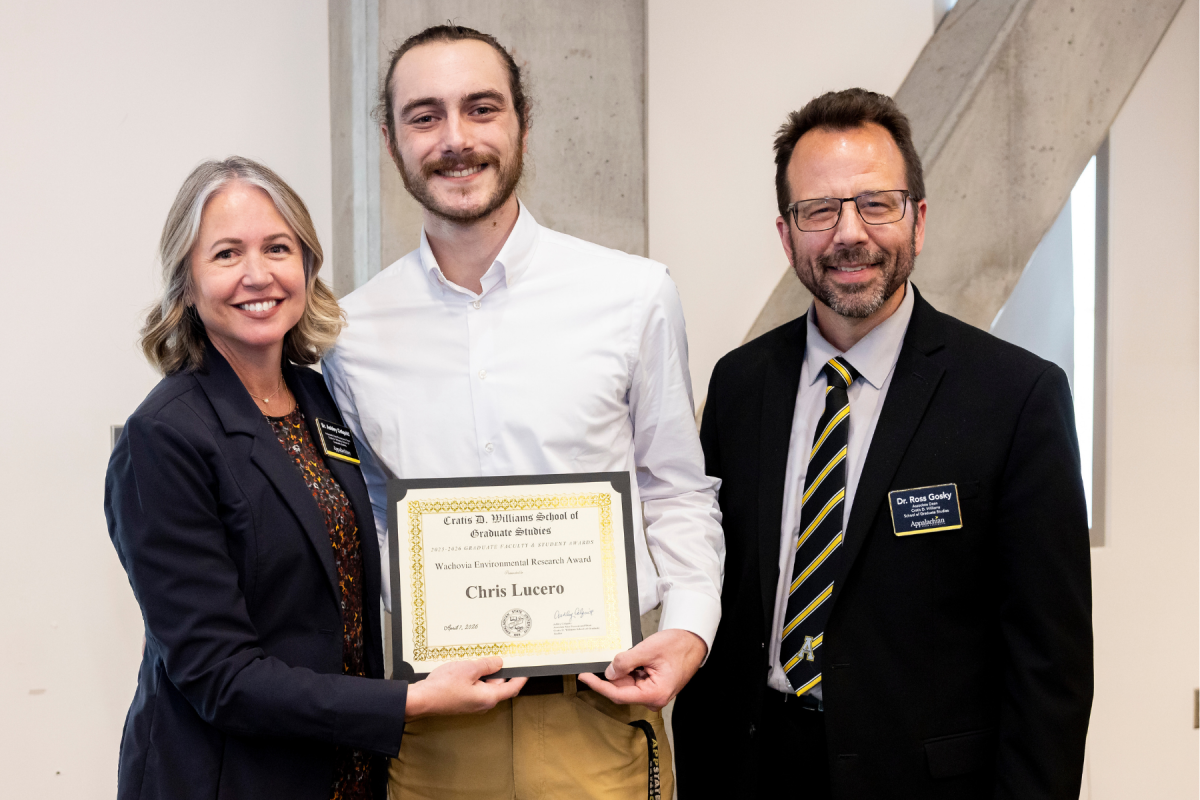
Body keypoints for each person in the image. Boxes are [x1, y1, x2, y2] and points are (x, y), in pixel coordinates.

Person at [321, 24, 724, 800]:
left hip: (598, 712)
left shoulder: (633, 295)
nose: (456, 139)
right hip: (433, 730)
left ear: (523, 123)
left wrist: (690, 629)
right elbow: (369, 517)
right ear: (391, 141)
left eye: (481, 108)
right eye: (425, 116)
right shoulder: (349, 333)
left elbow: (676, 488)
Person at [673, 89, 1093, 799]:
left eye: (876, 204)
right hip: (752, 772)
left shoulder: (1016, 397)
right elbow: (717, 581)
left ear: (917, 221)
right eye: (818, 210)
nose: (849, 233)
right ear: (786, 235)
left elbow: (1050, 664)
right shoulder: (740, 385)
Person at [105, 156, 525, 800]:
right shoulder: (163, 437)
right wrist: (409, 701)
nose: (258, 274)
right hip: (231, 778)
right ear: (185, 283)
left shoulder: (315, 397)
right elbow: (219, 675)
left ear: (306, 265)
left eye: (278, 248)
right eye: (226, 254)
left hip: (343, 768)